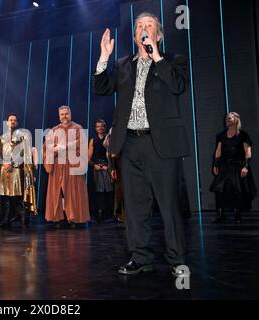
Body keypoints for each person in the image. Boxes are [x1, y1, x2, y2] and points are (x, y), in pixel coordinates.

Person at [93, 12, 189, 276]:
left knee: (169, 205)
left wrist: (156, 55)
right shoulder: (124, 64)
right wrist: (104, 57)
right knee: (134, 207)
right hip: (130, 144)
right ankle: (140, 257)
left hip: (161, 144)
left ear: (158, 35)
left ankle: (177, 259)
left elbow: (179, 86)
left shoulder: (172, 60)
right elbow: (100, 87)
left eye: (149, 26)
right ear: (134, 35)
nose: (143, 28)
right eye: (138, 26)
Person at [43, 106, 90, 228]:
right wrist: (55, 150)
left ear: (70, 114)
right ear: (59, 116)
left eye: (66, 114)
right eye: (62, 114)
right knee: (58, 193)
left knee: (73, 193)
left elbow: (83, 145)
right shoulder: (54, 130)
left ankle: (74, 218)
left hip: (73, 165)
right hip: (58, 165)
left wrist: (65, 146)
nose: (64, 116)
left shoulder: (77, 128)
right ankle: (59, 218)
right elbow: (46, 148)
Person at [210, 112, 257, 223]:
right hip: (225, 165)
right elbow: (218, 150)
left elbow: (248, 151)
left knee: (237, 189)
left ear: (236, 120)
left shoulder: (243, 135)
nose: (227, 120)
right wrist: (216, 164)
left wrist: (245, 166)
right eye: (226, 118)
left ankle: (237, 214)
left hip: (238, 165)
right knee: (219, 188)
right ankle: (221, 214)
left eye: (230, 118)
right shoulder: (221, 135)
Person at [0, 113, 37, 228]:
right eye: (10, 120)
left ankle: (23, 219)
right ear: (7, 122)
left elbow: (24, 154)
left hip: (16, 170)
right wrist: (4, 163)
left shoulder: (23, 137)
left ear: (17, 123)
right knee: (5, 196)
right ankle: (5, 220)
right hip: (4, 170)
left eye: (14, 120)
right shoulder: (1, 138)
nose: (12, 122)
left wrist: (12, 163)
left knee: (18, 196)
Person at [89, 119, 114, 223]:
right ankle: (99, 215)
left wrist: (109, 167)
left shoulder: (109, 138)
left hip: (107, 168)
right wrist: (94, 165)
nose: (100, 128)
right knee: (99, 192)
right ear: (95, 128)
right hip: (97, 169)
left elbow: (113, 155)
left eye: (102, 126)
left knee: (109, 191)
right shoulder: (92, 141)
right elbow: (88, 158)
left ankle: (110, 215)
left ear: (105, 127)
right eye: (98, 126)